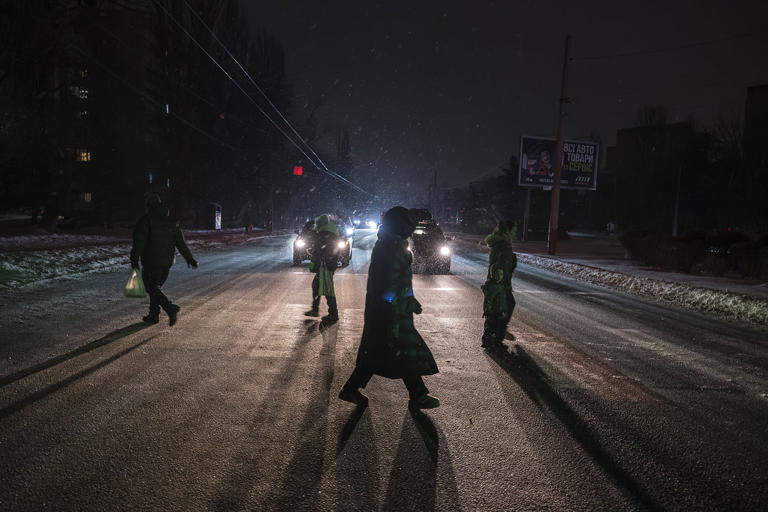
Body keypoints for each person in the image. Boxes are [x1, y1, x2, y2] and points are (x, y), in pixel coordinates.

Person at [339, 206, 439, 410]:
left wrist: (411, 300)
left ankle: (415, 394)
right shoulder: (392, 248)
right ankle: (418, 394)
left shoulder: (392, 244)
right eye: (409, 226)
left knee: (381, 353)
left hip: (388, 310)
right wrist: (394, 310)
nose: (411, 230)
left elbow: (400, 282)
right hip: (389, 312)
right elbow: (389, 284)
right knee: (399, 352)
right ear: (401, 227)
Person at [130, 193, 197, 326]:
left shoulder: (146, 220)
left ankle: (169, 308)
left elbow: (139, 242)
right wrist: (189, 258)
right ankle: (153, 315)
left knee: (151, 287)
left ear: (149, 207)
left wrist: (134, 259)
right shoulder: (170, 223)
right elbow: (180, 242)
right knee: (156, 288)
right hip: (166, 263)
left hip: (151, 261)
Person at [481, 220, 517, 349]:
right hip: (499, 282)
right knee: (501, 309)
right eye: (513, 230)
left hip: (497, 281)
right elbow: (501, 264)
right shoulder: (503, 244)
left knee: (496, 309)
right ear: (507, 231)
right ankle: (495, 338)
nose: (515, 233)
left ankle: (492, 337)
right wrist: (503, 281)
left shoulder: (501, 242)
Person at [305, 214, 340, 329]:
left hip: (326, 265)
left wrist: (313, 254)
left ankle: (333, 315)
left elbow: (319, 251)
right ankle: (316, 309)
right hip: (328, 264)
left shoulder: (324, 234)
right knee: (317, 285)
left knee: (327, 289)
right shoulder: (331, 231)